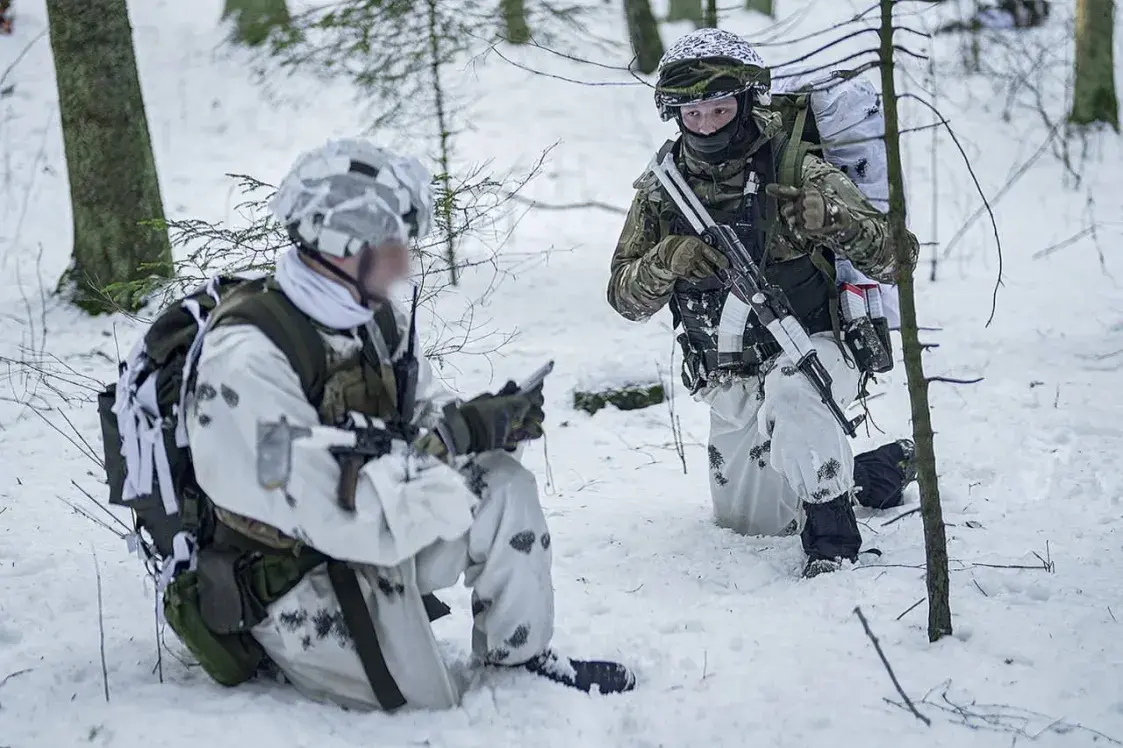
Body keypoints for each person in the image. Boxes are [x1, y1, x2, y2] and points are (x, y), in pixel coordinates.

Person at [184, 139, 634, 710]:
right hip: (297, 573)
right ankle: (287, 654)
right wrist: (451, 442)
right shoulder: (246, 360)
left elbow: (421, 413)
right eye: (392, 244)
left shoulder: (373, 321)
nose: (407, 262)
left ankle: (519, 661)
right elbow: (333, 514)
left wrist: (488, 424)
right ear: (340, 242)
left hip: (379, 523)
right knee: (428, 707)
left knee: (500, 485)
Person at [606, 29, 919, 578]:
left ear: (747, 103)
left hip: (816, 351)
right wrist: (667, 259)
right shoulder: (662, 188)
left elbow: (900, 258)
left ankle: (833, 547)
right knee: (757, 522)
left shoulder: (796, 167)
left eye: (719, 110)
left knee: (795, 397)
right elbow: (624, 299)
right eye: (692, 113)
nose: (705, 124)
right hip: (728, 376)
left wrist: (835, 221)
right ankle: (879, 469)